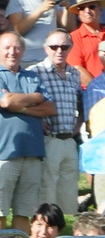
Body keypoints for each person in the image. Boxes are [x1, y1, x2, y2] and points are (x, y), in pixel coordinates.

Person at [0, 33, 53, 231]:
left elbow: (50, 108)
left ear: (22, 51)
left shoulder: (32, 77)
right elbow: (5, 102)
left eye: (17, 47)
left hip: (32, 152)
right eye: (7, 48)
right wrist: (35, 98)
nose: (12, 52)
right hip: (3, 153)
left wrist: (17, 104)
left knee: (25, 212)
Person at [29, 28, 82, 215]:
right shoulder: (34, 72)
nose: (59, 51)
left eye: (64, 47)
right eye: (54, 47)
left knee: (69, 186)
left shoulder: (75, 73)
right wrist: (36, 120)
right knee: (47, 187)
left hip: (69, 139)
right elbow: (23, 103)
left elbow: (79, 101)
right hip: (49, 139)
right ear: (45, 48)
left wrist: (78, 125)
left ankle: (66, 225)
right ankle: (47, 223)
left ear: (70, 48)